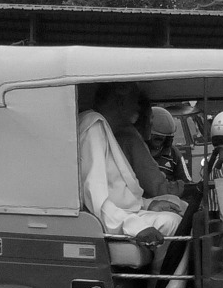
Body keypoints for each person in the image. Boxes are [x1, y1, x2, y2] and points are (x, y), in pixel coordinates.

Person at [77, 83, 185, 244]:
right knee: (174, 223)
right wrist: (134, 226)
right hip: (111, 220)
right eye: (135, 102)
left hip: (123, 213)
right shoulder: (93, 126)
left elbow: (119, 194)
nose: (138, 107)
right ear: (121, 102)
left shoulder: (108, 130)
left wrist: (149, 205)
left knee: (178, 206)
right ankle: (166, 270)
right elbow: (95, 197)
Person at [112, 94, 187, 200]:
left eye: (163, 139)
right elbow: (156, 186)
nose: (159, 143)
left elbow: (185, 180)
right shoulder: (132, 141)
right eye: (156, 138)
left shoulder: (173, 154)